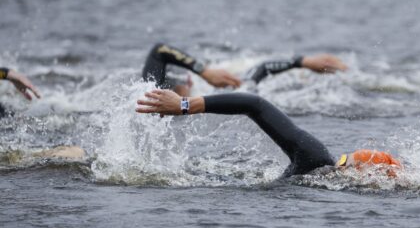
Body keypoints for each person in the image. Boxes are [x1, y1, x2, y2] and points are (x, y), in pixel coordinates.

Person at [136, 89, 402, 177]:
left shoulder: (323, 174)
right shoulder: (314, 156)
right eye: (346, 161)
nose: (342, 162)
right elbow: (254, 104)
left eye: (347, 162)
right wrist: (183, 105)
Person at [142, 42, 348, 96]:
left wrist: (204, 71)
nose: (185, 85)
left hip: (209, 76)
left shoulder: (216, 88)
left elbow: (160, 49)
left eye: (185, 82)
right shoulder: (148, 95)